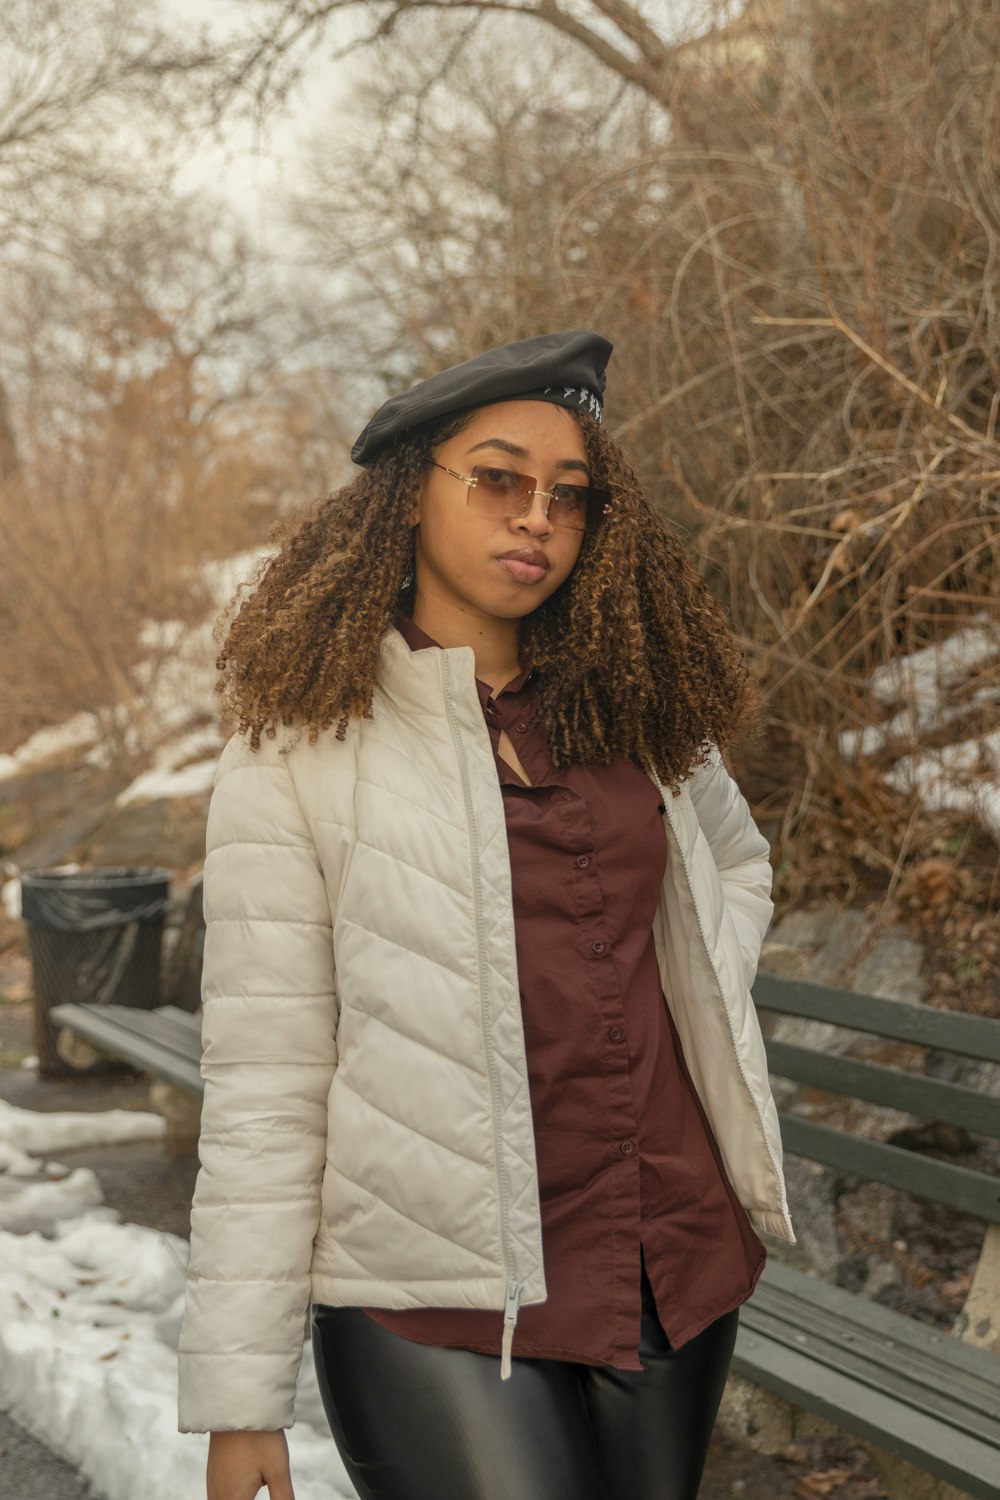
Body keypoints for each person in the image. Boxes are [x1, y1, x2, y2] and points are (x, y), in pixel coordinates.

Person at [177, 329, 795, 1500]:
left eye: (570, 495)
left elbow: (735, 863)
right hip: (432, 1302)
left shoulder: (641, 713)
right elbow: (265, 1077)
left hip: (665, 1262)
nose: (536, 518)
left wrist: (682, 984)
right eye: (499, 478)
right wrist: (239, 1394)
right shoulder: (302, 747)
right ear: (411, 497)